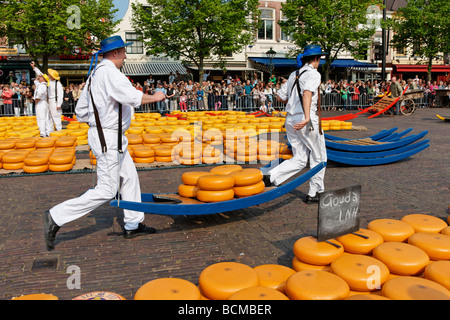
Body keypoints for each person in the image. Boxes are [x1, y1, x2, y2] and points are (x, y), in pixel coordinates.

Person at [43, 36, 166, 251]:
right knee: (107, 189)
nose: (125, 56)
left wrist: (99, 117)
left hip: (110, 136)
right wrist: (156, 96)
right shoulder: (111, 73)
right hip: (109, 137)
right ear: (116, 53)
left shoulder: (95, 75)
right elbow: (134, 97)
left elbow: (80, 112)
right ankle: (56, 216)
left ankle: (132, 223)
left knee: (129, 178)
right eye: (124, 52)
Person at [264, 45, 328, 204]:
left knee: (300, 158)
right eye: (319, 58)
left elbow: (280, 97)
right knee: (319, 156)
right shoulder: (314, 74)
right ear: (316, 59)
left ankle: (271, 176)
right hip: (305, 119)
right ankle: (315, 192)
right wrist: (307, 117)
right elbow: (307, 94)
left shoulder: (294, 74)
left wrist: (293, 98)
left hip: (290, 119)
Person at [31, 63, 64, 132]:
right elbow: (41, 74)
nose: (48, 75)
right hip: (47, 100)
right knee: (48, 117)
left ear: (52, 76)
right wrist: (34, 68)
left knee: (55, 116)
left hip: (54, 101)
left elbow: (60, 94)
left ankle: (59, 129)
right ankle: (50, 130)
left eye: (50, 74)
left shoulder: (57, 83)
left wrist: (59, 104)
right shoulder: (48, 81)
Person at [32, 70, 51, 137]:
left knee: (42, 118)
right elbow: (36, 81)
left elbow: (40, 94)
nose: (39, 77)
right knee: (44, 118)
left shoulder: (43, 86)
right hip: (42, 102)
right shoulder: (40, 84)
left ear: (43, 79)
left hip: (41, 102)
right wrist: (34, 68)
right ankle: (47, 132)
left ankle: (43, 132)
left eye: (40, 77)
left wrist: (36, 99)